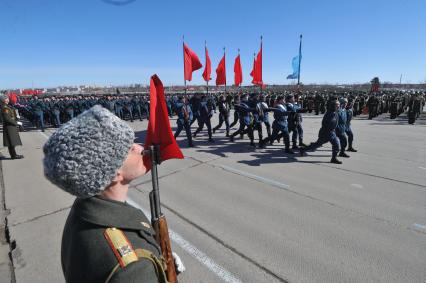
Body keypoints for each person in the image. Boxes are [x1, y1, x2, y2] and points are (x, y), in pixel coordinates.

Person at [43, 105, 184, 282]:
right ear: (112, 171)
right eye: (128, 148)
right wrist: (149, 270)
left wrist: (156, 260)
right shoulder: (134, 268)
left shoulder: (84, 210)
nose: (139, 147)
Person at [300, 99, 342, 164]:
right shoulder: (329, 114)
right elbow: (325, 124)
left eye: (339, 105)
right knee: (317, 145)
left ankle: (334, 158)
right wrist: (328, 132)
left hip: (332, 133)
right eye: (337, 105)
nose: (338, 106)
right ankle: (303, 149)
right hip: (325, 133)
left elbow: (335, 123)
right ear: (333, 106)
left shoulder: (335, 113)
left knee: (336, 144)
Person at [1, 95, 24, 159]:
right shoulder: (5, 108)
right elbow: (7, 118)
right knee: (11, 142)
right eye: (6, 99)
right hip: (9, 127)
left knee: (12, 142)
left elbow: (12, 115)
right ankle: (13, 155)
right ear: (3, 100)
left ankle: (14, 154)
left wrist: (17, 117)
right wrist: (16, 123)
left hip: (11, 126)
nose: (7, 100)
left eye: (7, 99)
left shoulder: (7, 107)